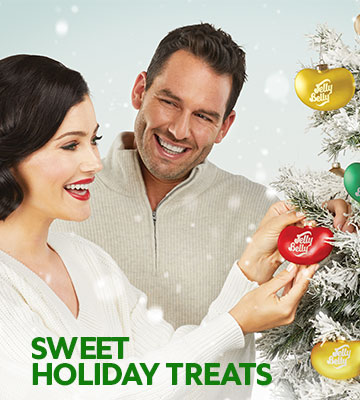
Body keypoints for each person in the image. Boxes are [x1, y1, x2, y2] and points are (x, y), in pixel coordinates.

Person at [0, 54, 317, 400]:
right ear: (11, 151)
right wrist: (236, 322)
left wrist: (249, 269)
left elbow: (178, 368)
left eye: (93, 139)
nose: (93, 162)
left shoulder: (87, 260)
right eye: (70, 145)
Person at [53, 23, 352, 328]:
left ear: (225, 126)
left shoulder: (265, 216)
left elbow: (331, 305)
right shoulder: (56, 201)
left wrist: (336, 226)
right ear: (140, 91)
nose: (179, 130)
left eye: (203, 116)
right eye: (169, 102)